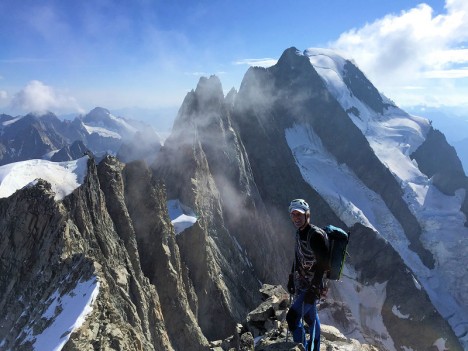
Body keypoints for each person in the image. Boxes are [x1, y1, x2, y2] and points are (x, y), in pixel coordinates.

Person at [286, 199, 330, 351]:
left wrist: (313, 289)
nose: (296, 218)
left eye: (299, 214)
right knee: (310, 318)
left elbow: (324, 265)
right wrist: (291, 278)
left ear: (307, 215)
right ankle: (313, 349)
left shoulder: (315, 236)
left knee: (292, 317)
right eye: (293, 215)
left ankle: (301, 348)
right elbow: (298, 256)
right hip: (302, 282)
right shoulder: (300, 233)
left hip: (313, 285)